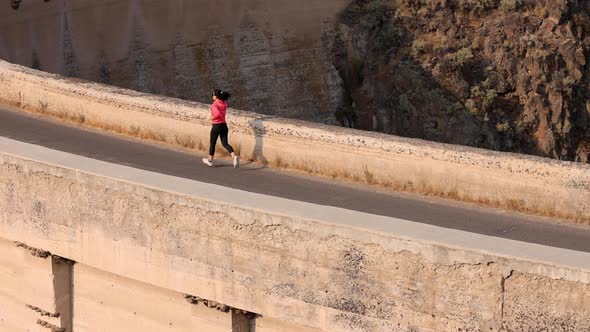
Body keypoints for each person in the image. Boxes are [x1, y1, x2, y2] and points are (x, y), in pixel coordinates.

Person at [202, 89, 240, 168]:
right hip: (224, 125)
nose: (212, 96)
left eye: (213, 95)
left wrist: (211, 117)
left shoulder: (214, 105)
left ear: (215, 96)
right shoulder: (224, 103)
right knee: (225, 143)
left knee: (213, 143)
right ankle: (234, 156)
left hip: (216, 126)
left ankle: (210, 160)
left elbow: (217, 114)